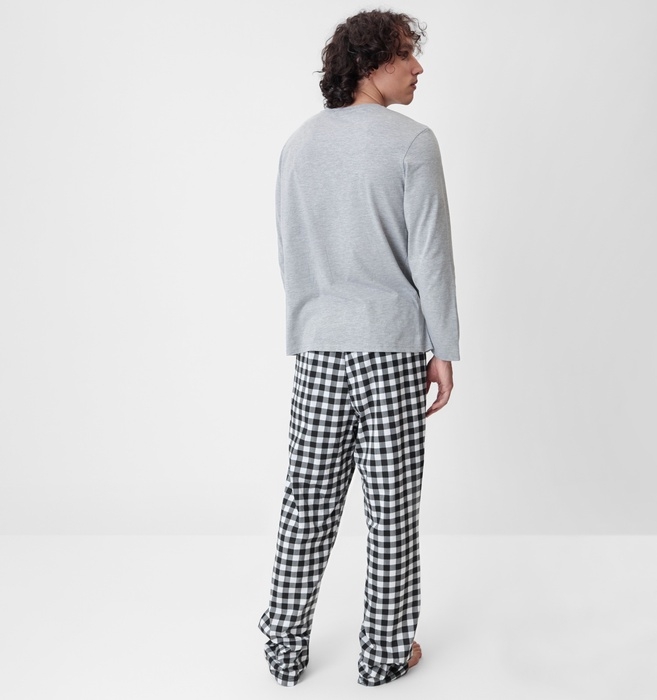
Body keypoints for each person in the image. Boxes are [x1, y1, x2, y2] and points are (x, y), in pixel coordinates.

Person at [258, 9, 460, 687]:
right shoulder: (412, 142)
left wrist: (312, 323)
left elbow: (290, 252)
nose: (418, 67)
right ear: (372, 62)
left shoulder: (298, 145)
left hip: (318, 347)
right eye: (406, 54)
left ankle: (284, 648)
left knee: (307, 502)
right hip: (390, 348)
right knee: (391, 507)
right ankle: (384, 653)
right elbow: (431, 257)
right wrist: (442, 347)